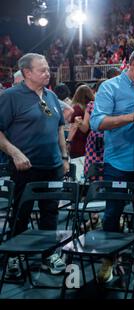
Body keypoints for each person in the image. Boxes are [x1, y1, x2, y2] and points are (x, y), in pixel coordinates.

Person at [90, 45, 134, 284]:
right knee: (112, 213)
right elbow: (97, 123)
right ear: (132, 66)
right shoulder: (109, 87)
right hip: (119, 162)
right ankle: (110, 258)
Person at [0, 53, 69, 278]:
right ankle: (14, 257)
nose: (48, 73)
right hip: (25, 168)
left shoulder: (50, 96)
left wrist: (65, 156)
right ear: (27, 73)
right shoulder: (11, 96)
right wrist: (15, 152)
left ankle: (48, 255)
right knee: (21, 213)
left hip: (53, 166)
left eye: (48, 68)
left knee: (50, 214)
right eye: (42, 69)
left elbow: (59, 127)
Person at [68, 85, 95, 180]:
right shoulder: (93, 107)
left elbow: (74, 127)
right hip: (90, 142)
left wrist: (68, 141)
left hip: (77, 143)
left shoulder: (75, 108)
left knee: (78, 170)